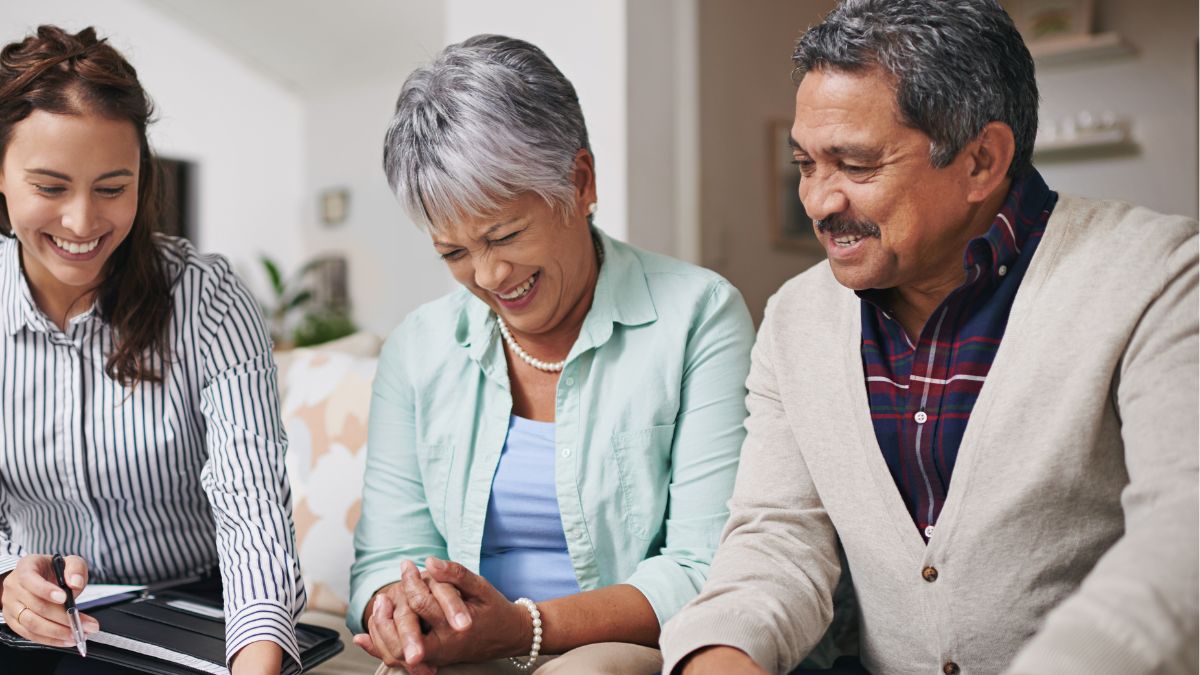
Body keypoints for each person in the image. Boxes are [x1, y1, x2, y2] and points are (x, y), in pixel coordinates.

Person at [660, 1, 1199, 674]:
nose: (819, 201)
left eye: (854, 165)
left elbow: (1182, 540)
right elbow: (776, 541)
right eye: (805, 163)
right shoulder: (795, 318)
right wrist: (719, 657)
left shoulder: (1158, 275)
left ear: (981, 160)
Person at [349, 34, 755, 675]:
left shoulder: (698, 316)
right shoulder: (418, 348)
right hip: (463, 651)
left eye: (504, 234)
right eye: (453, 253)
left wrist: (521, 628)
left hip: (610, 649)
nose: (487, 275)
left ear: (581, 181)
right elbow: (386, 554)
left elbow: (706, 565)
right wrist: (393, 607)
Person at [0, 26, 305, 674]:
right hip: (33, 619)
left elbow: (252, 513)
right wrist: (5, 577)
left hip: (194, 607)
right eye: (50, 187)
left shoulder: (209, 300)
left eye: (112, 187)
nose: (83, 223)